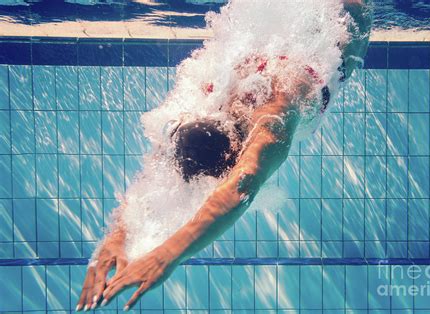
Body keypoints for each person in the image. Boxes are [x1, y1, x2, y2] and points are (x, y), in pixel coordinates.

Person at [76, 0, 372, 311]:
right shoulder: (205, 104)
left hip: (338, 31)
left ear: (234, 156)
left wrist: (167, 256)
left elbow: (242, 186)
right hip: (287, 48)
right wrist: (117, 236)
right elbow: (159, 164)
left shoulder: (274, 116)